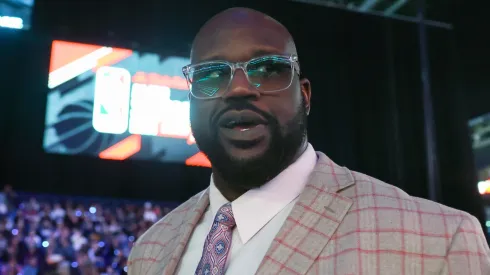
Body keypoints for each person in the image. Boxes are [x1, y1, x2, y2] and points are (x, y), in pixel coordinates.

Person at [128, 7, 490, 275]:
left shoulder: (439, 241)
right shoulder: (150, 250)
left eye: (268, 69)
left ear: (305, 96)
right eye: (211, 74)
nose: (238, 88)